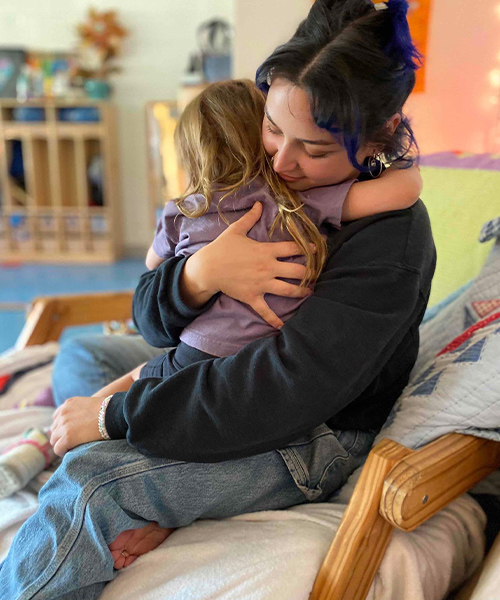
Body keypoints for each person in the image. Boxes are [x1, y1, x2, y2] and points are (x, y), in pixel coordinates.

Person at [0, 0, 436, 598]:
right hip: (210, 368)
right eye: (274, 128)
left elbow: (287, 388)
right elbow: (151, 322)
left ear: (382, 133)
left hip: (304, 432)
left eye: (314, 149)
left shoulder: (390, 238)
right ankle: (149, 478)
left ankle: (136, 483)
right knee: (87, 358)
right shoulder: (259, 172)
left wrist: (114, 416)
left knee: (90, 480)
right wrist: (198, 276)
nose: (281, 162)